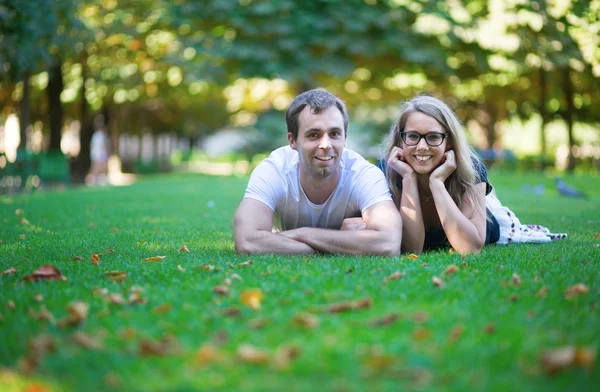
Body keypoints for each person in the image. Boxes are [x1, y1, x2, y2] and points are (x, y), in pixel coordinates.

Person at [234, 89, 402, 255]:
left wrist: (302, 234)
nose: (326, 145)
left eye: (335, 134)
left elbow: (388, 243)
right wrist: (343, 244)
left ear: (345, 137)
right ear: (292, 141)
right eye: (314, 135)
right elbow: (247, 241)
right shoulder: (274, 170)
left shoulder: (363, 174)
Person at [379, 95, 500, 255]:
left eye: (434, 137)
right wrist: (408, 178)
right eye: (413, 136)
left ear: (449, 141)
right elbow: (412, 249)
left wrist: (436, 182)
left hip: (483, 225)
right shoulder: (386, 170)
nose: (422, 146)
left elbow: (470, 249)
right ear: (401, 139)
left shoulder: (472, 169)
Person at [88, 116, 110, 185]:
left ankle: (99, 179)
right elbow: (103, 145)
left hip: (95, 153)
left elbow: (91, 145)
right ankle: (92, 180)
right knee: (98, 167)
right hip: (100, 154)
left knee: (98, 167)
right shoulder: (100, 135)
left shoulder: (95, 135)